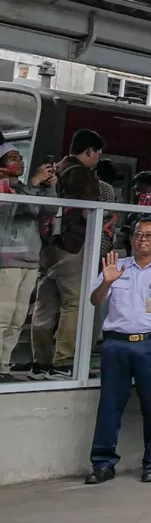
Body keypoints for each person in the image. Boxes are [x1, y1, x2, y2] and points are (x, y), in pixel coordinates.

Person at [84, 219, 151, 484]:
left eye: (149, 236)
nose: (143, 240)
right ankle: (102, 464)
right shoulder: (117, 266)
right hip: (117, 344)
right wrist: (106, 282)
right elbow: (94, 299)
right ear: (132, 239)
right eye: (138, 235)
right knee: (110, 406)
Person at [46, 128, 105, 378]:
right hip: (74, 245)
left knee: (45, 302)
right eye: (98, 154)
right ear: (89, 151)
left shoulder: (56, 169)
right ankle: (64, 359)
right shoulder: (84, 175)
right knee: (73, 303)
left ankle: (41, 358)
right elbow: (87, 213)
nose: (98, 159)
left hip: (50, 245)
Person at [0, 144, 56, 381]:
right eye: (13, 158)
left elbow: (49, 210)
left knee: (18, 317)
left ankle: (3, 365)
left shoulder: (24, 188)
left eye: (21, 157)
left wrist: (49, 189)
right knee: (3, 315)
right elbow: (14, 208)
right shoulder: (5, 187)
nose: (20, 162)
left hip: (30, 259)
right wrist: (34, 184)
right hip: (6, 259)